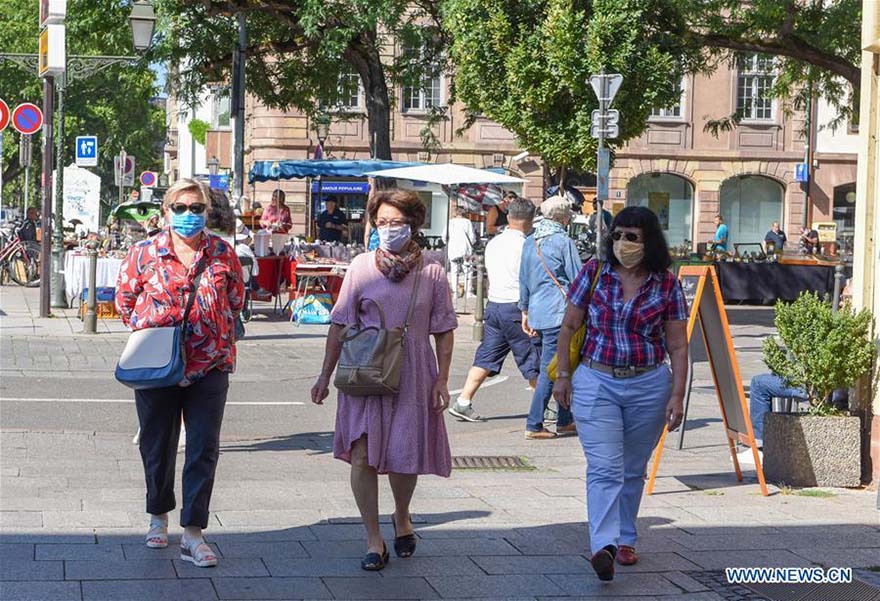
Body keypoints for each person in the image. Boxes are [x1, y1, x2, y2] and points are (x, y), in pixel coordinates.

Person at [310, 189, 457, 571]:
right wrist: (324, 375)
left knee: (405, 456)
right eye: (382, 222)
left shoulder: (432, 271)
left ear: (414, 224)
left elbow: (443, 329)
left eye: (397, 222)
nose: (388, 229)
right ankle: (374, 538)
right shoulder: (360, 267)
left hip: (412, 372)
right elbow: (340, 324)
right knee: (362, 455)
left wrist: (442, 379)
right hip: (364, 371)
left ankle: (402, 515)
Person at [552, 206, 688, 581]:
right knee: (605, 467)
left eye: (632, 237)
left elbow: (678, 345)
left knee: (631, 468)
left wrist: (677, 394)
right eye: (617, 235)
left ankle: (626, 538)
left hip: (648, 383)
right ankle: (604, 545)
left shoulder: (666, 284)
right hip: (597, 380)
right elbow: (568, 326)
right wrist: (563, 376)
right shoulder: (594, 273)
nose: (622, 243)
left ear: (649, 242)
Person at [115, 178, 244, 569]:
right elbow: (124, 300)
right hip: (157, 365)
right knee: (156, 444)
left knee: (204, 447)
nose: (189, 215)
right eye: (181, 207)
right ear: (167, 211)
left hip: (211, 363)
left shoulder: (223, 252)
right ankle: (158, 514)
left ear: (207, 211)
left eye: (196, 208)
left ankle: (193, 532)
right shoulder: (144, 252)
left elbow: (236, 299)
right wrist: (155, 330)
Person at [448, 197, 540, 422]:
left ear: (508, 218)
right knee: (532, 358)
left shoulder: (494, 243)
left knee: (487, 355)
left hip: (495, 306)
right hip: (517, 308)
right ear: (530, 220)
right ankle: (545, 408)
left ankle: (463, 401)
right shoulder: (527, 245)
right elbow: (532, 280)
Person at [519, 196, 583, 439]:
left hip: (537, 310)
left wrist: (524, 310)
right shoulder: (563, 241)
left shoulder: (530, 242)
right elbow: (578, 280)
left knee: (559, 364)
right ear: (564, 218)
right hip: (559, 313)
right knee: (552, 368)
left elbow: (523, 279)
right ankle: (534, 423)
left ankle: (565, 420)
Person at [443, 205, 476, 295]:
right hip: (465, 249)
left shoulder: (450, 222)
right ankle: (468, 291)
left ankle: (455, 291)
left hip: (453, 249)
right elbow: (472, 238)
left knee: (454, 270)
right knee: (468, 269)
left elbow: (444, 237)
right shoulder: (467, 222)